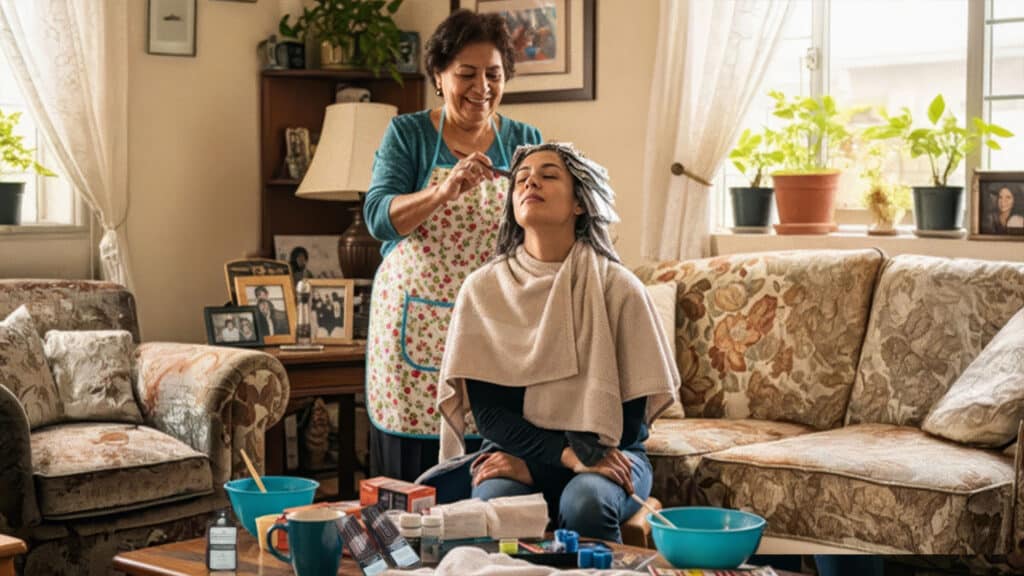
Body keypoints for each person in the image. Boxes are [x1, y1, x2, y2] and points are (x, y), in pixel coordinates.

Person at [434, 143, 679, 542]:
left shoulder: (620, 289)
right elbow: (492, 415)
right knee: (496, 507)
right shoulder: (482, 290)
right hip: (513, 453)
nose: (531, 181)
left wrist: (546, 467)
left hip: (612, 455)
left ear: (580, 202)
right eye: (522, 179)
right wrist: (562, 458)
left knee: (585, 504)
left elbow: (630, 424)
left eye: (549, 175)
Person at [363, 9, 543, 481]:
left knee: (489, 469)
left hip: (493, 326)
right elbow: (379, 218)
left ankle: (481, 559)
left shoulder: (526, 141)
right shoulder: (410, 134)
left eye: (493, 74)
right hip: (415, 326)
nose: (481, 86)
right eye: (466, 74)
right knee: (410, 482)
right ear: (439, 78)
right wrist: (443, 192)